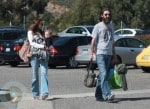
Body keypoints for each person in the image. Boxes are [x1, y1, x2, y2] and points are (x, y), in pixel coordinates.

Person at [90, 8, 117, 102]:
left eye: (109, 14)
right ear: (102, 15)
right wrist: (91, 52)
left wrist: (114, 55)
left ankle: (98, 95)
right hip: (100, 53)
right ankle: (107, 94)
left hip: (109, 54)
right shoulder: (98, 26)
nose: (107, 16)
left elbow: (113, 41)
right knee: (104, 73)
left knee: (102, 76)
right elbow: (93, 40)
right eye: (105, 14)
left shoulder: (111, 26)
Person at [28, 19, 49, 100]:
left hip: (43, 55)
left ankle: (45, 93)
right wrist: (42, 47)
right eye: (41, 24)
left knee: (44, 73)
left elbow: (45, 42)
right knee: (35, 75)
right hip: (34, 55)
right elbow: (32, 43)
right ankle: (35, 93)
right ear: (36, 24)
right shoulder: (30, 32)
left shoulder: (42, 32)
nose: (42, 26)